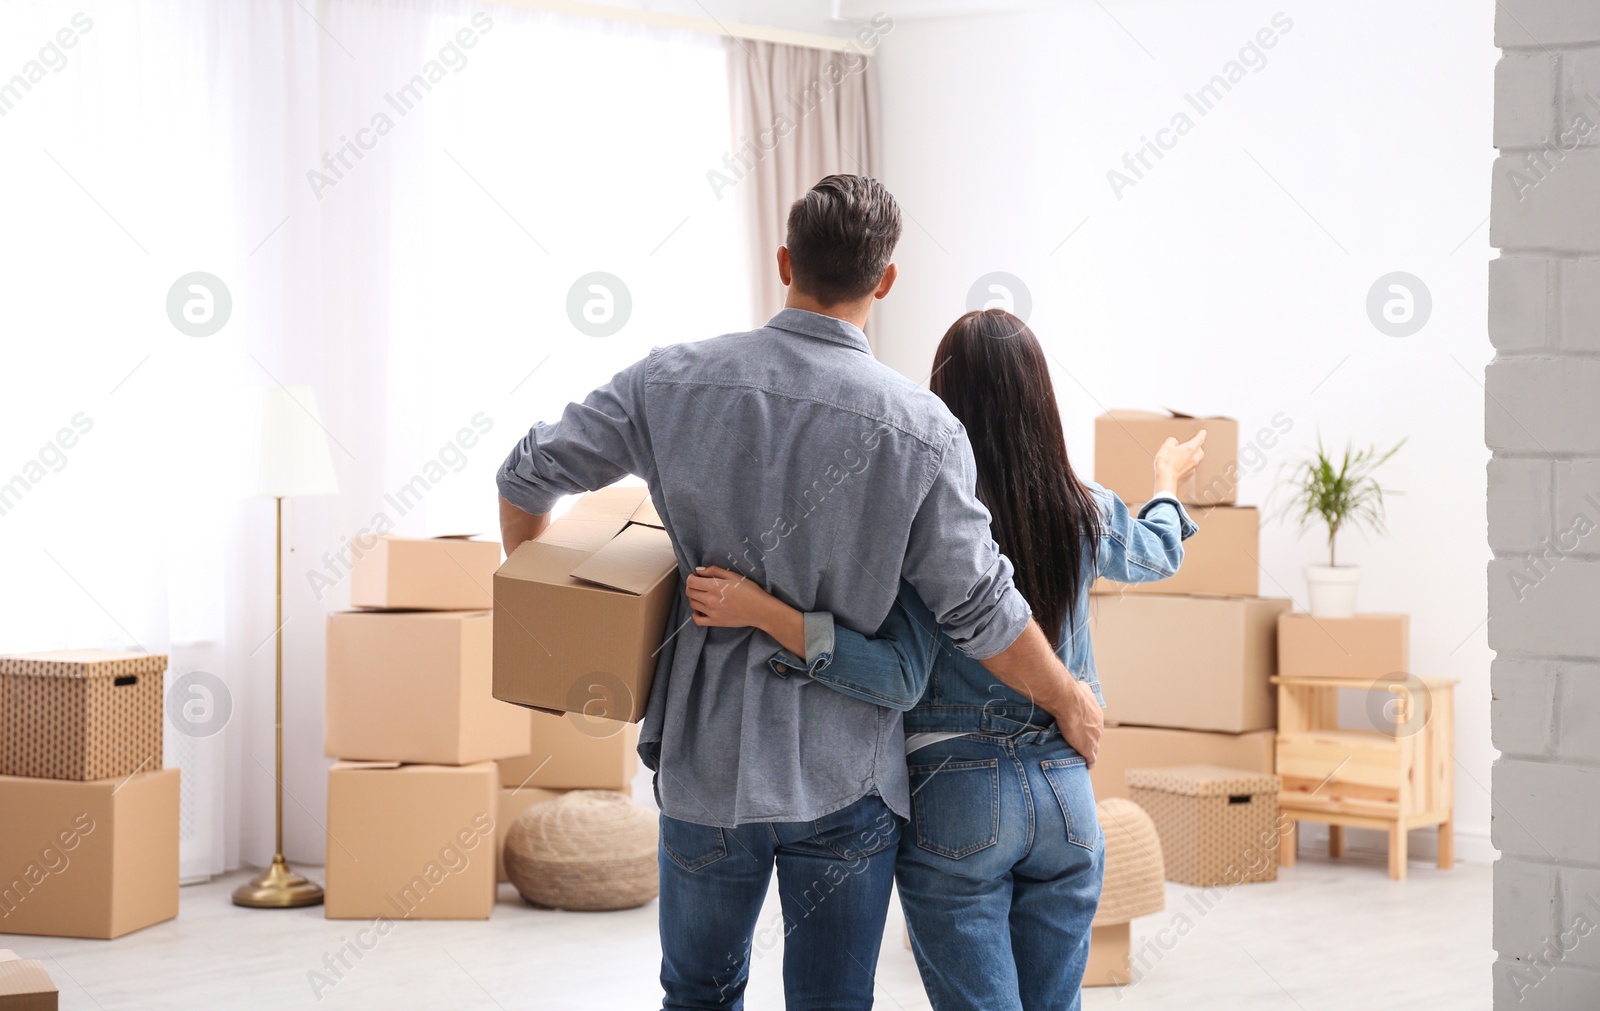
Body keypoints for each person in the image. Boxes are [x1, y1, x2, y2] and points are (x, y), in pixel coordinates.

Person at [496, 177, 1102, 1011]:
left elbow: (526, 471)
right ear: (884, 280)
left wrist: (550, 620)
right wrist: (1065, 693)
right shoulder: (923, 429)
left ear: (784, 261)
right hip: (845, 780)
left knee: (698, 995)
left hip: (706, 768)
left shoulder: (669, 381)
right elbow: (980, 605)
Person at [685, 308, 1206, 1011]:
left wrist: (768, 615)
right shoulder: (1082, 506)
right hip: (1066, 794)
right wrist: (1167, 479)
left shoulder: (929, 521)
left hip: (961, 796)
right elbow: (1158, 549)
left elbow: (896, 671)